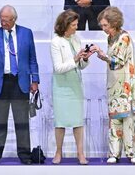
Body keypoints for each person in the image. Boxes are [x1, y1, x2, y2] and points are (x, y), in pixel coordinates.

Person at [0, 5, 40, 165]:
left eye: (7, 21)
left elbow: (32, 58)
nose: (3, 23)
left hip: (20, 82)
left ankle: (24, 154)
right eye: (1, 20)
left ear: (14, 19)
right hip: (0, 83)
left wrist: (34, 80)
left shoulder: (26, 33)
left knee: (22, 120)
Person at [95, 6, 135, 164]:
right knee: (114, 120)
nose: (103, 29)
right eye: (102, 25)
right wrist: (104, 55)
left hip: (126, 84)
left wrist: (103, 55)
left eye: (105, 25)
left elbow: (118, 61)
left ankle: (131, 153)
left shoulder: (124, 37)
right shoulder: (111, 38)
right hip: (115, 84)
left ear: (114, 23)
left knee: (128, 120)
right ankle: (114, 153)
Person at [50, 9, 95, 165]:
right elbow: (58, 68)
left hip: (75, 84)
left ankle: (80, 153)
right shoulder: (56, 41)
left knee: (77, 121)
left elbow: (79, 66)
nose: (77, 27)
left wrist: (85, 59)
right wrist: (75, 59)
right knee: (60, 121)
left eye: (77, 24)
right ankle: (58, 152)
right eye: (74, 25)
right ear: (66, 24)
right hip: (61, 86)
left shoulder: (76, 39)